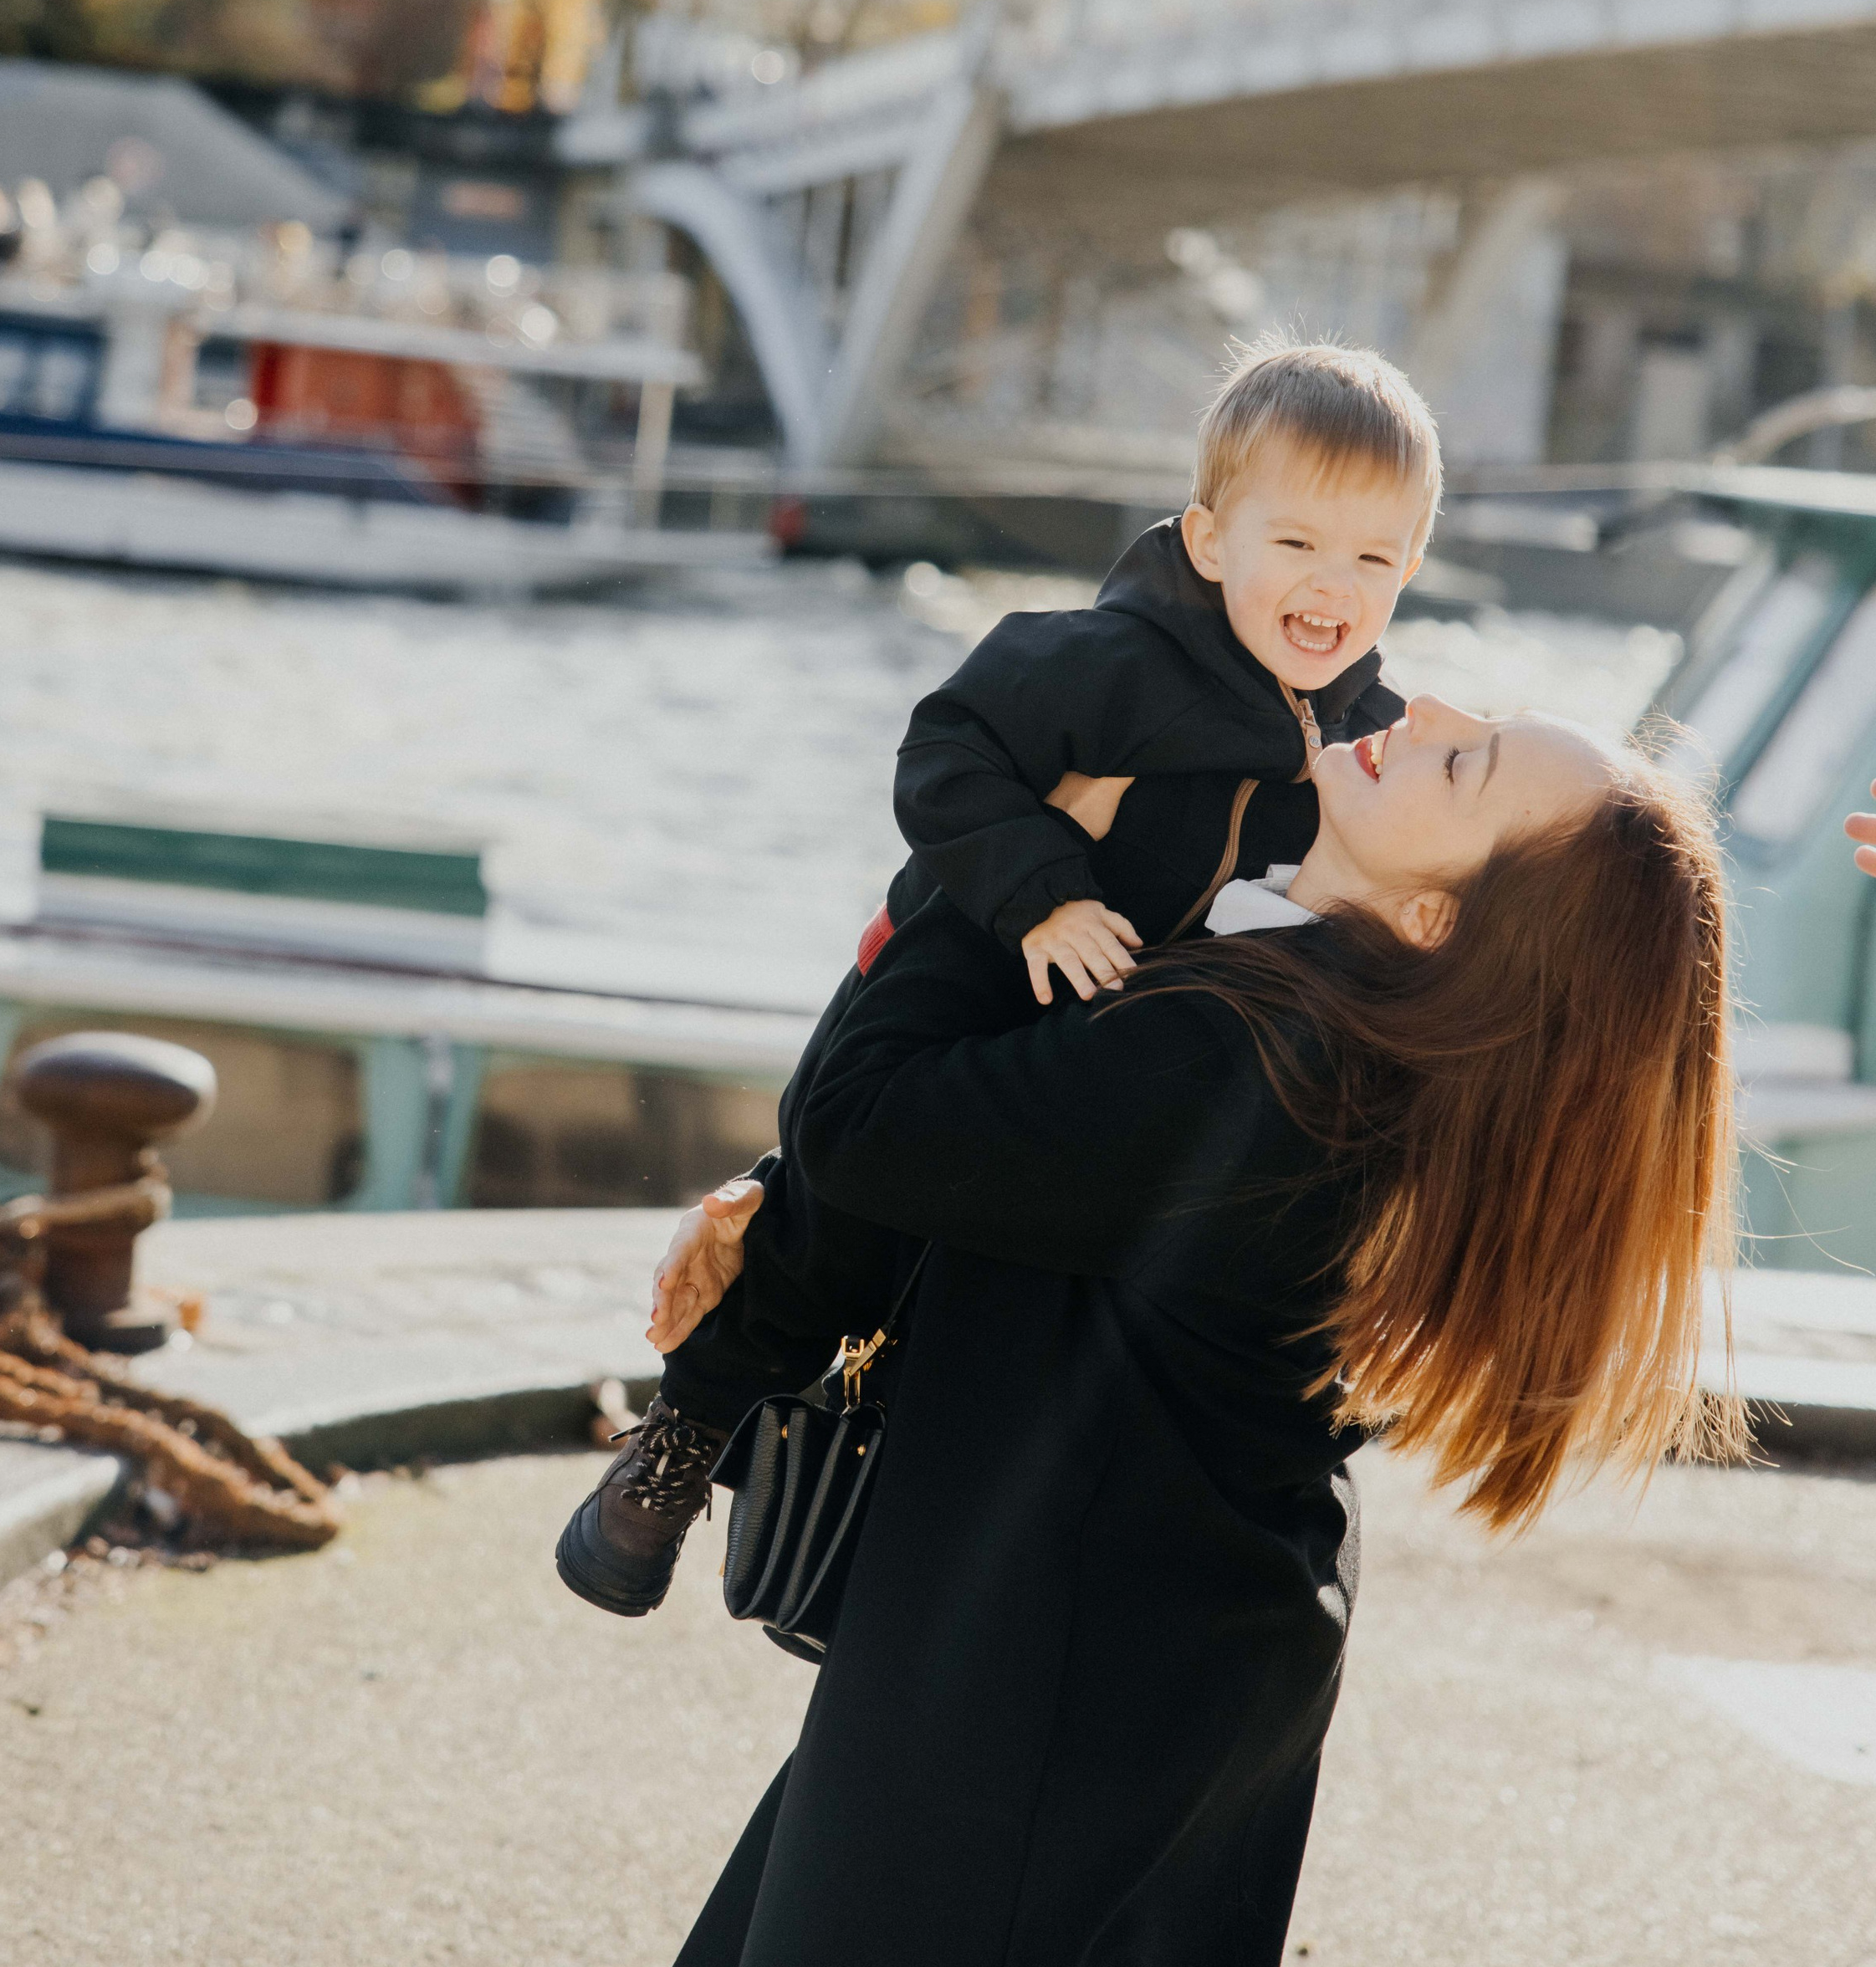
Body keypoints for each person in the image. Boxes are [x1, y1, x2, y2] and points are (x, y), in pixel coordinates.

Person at [670, 694, 1746, 1967]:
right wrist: (773, 1207)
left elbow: (859, 1123)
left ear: (1433, 920)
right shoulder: (1313, 1041)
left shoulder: (1253, 1054)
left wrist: (1001, 867)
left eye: (1465, 763)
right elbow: (986, 1164)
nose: (1431, 709)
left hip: (1045, 1682)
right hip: (1122, 1654)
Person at [557, 338, 1439, 1616]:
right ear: (1208, 542)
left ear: (1411, 566)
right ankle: (683, 1441)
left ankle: (926, 1533)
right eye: (1295, 545)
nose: (1332, 586)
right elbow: (945, 751)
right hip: (978, 955)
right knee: (838, 1221)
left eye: (1372, 556)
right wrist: (1045, 890)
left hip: (1122, 1034)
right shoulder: (1100, 660)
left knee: (996, 1264)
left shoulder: (1371, 738)